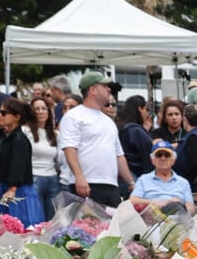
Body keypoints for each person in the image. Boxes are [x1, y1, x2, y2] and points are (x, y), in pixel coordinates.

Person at [58, 74, 131, 207]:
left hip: (111, 184)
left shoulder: (109, 121)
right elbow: (69, 148)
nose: (108, 89)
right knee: (86, 226)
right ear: (93, 90)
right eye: (104, 86)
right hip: (86, 184)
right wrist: (79, 177)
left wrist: (131, 183)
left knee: (112, 226)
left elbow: (119, 155)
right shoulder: (73, 116)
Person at [0, 98, 44, 225]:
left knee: (21, 228)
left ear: (16, 117)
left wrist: (12, 188)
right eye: (0, 112)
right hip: (6, 189)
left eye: (4, 113)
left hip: (18, 192)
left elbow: (18, 165)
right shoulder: (8, 138)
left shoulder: (19, 140)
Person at [22, 97, 61, 219]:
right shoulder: (25, 131)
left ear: (49, 112)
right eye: (36, 109)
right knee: (35, 217)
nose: (40, 111)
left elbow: (59, 160)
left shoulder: (55, 134)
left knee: (53, 218)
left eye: (44, 108)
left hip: (53, 179)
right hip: (33, 177)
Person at [132, 143, 194, 210]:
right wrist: (157, 203)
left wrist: (177, 207)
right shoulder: (143, 179)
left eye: (167, 155)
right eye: (159, 155)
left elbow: (191, 208)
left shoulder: (183, 182)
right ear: (152, 160)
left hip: (178, 217)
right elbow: (133, 201)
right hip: (152, 217)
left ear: (173, 160)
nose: (163, 158)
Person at [116, 96, 155, 182]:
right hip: (137, 177)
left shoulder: (120, 128)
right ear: (140, 109)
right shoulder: (136, 131)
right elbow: (146, 155)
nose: (147, 114)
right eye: (145, 109)